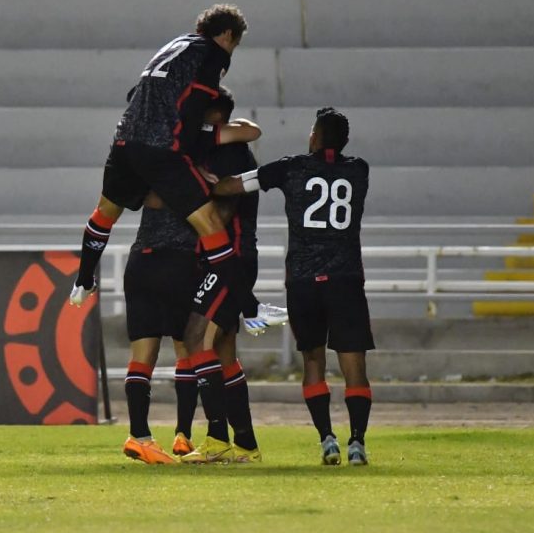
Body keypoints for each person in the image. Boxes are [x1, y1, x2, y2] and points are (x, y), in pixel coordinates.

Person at [213, 107, 375, 466]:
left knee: (312, 360)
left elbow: (234, 185)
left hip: (303, 281)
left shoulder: (290, 168)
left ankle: (327, 439)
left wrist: (206, 182)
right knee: (354, 365)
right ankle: (358, 442)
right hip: (346, 279)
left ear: (315, 136)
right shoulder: (359, 170)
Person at [122, 89, 273, 465]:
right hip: (220, 260)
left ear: (210, 116)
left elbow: (220, 215)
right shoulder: (216, 148)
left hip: (230, 259)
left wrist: (197, 190)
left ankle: (230, 439)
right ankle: (235, 443)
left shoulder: (230, 154)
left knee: (195, 338)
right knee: (221, 351)